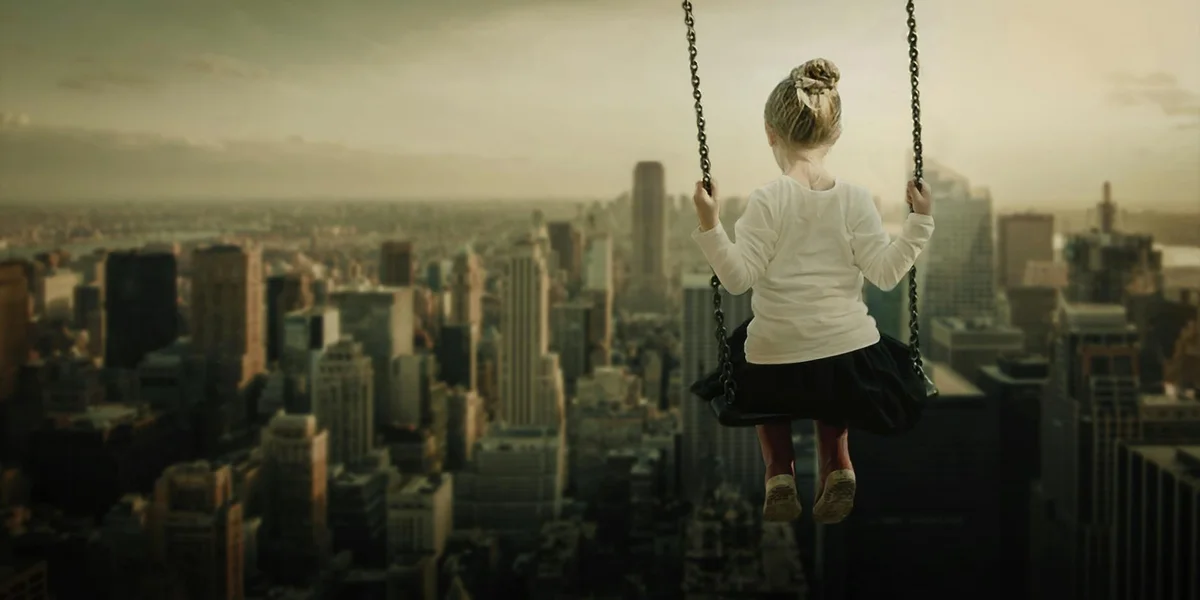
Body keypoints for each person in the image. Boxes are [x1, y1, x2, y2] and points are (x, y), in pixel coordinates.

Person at [688, 58, 935, 524]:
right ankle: (838, 462)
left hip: (776, 354)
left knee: (753, 356)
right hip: (847, 352)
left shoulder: (768, 198)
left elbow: (738, 278)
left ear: (769, 132)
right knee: (834, 373)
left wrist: (709, 224)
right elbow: (885, 273)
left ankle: (779, 471)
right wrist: (919, 222)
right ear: (836, 134)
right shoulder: (858, 199)